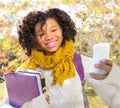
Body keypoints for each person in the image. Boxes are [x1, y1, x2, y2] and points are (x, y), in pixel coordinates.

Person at [0, 8, 120, 108]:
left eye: (54, 30)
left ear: (62, 30)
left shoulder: (80, 63)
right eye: (41, 34)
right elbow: (8, 104)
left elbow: (115, 100)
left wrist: (115, 75)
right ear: (34, 39)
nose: (49, 36)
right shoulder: (25, 70)